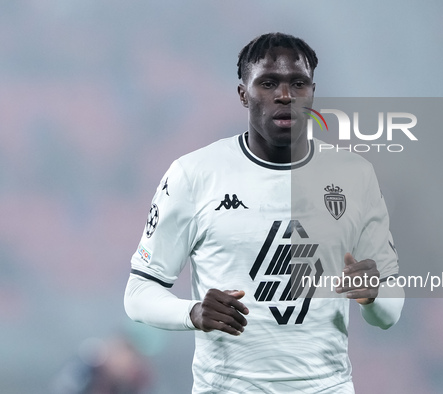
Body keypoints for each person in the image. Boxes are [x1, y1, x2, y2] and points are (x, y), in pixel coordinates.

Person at [124, 32, 404, 393]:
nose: (284, 96)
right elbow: (138, 292)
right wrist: (192, 313)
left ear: (312, 92)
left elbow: (389, 313)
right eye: (268, 83)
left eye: (297, 84)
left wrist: (374, 295)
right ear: (243, 93)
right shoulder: (194, 174)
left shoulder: (355, 175)